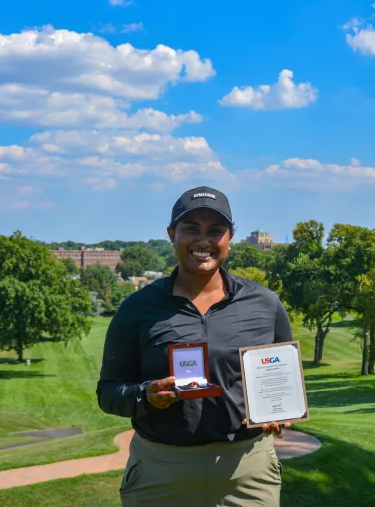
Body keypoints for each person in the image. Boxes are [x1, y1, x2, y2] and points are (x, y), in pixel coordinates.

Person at [97, 186, 293, 507]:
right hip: (161, 471)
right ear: (172, 234)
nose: (203, 240)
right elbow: (108, 392)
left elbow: (281, 381)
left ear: (230, 238)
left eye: (215, 230)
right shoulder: (137, 308)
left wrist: (279, 412)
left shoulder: (264, 303)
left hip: (246, 470)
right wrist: (145, 396)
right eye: (191, 229)